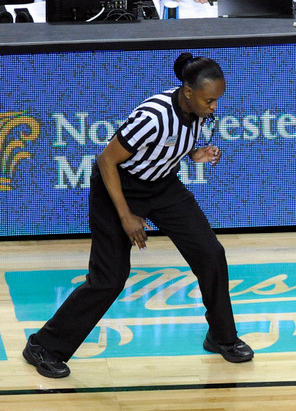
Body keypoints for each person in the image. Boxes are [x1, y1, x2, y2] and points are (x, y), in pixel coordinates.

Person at [22, 53, 254, 379]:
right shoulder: (154, 115)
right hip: (116, 188)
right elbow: (106, 161)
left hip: (162, 186)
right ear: (187, 91)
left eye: (217, 100)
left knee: (210, 254)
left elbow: (168, 145)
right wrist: (126, 216)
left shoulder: (197, 109)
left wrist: (194, 153)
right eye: (209, 100)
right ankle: (44, 346)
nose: (214, 107)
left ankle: (221, 337)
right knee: (109, 279)